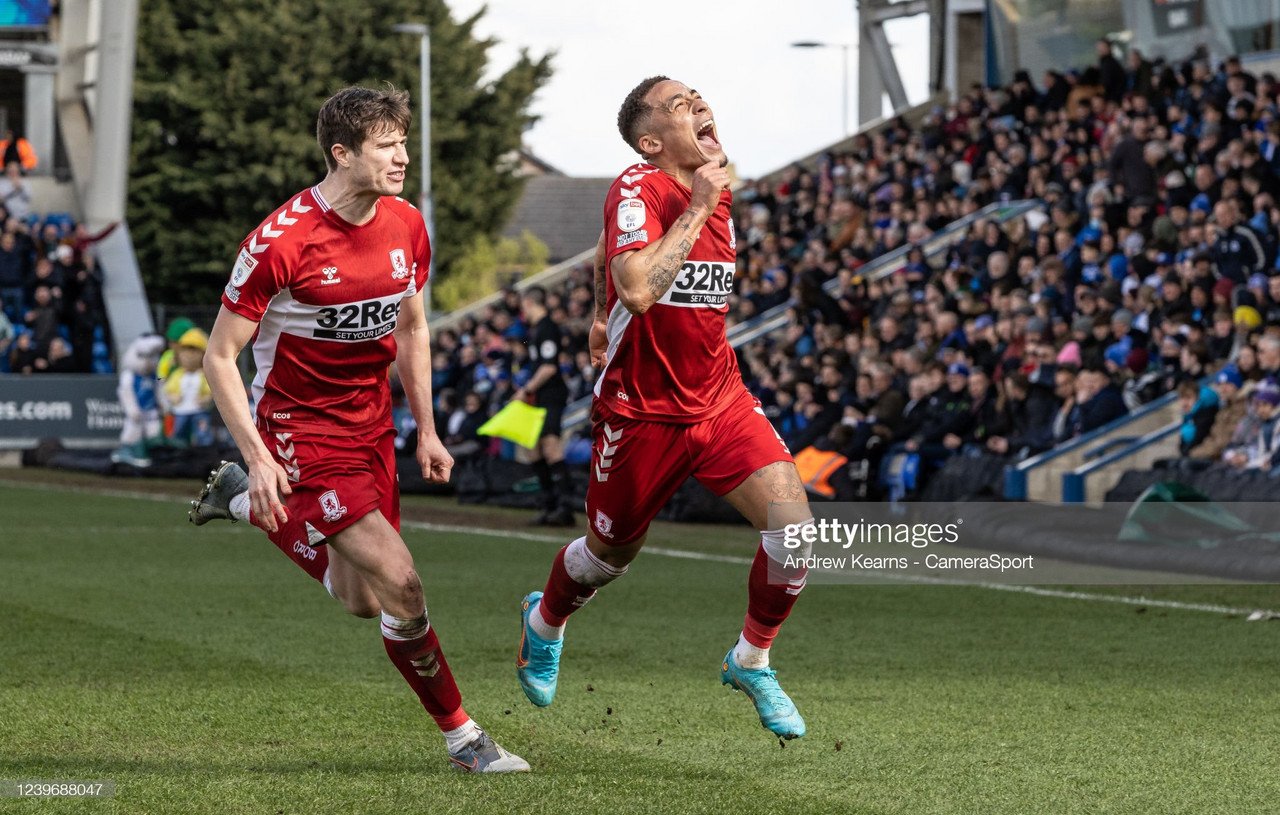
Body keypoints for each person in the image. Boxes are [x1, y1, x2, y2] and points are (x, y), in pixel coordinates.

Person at [187, 85, 527, 773]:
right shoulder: (280, 243)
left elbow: (412, 327)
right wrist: (257, 455)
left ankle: (237, 502)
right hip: (299, 430)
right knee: (403, 585)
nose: (404, 156)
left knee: (359, 599)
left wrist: (426, 429)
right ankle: (465, 738)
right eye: (387, 144)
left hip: (371, 424)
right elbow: (220, 355)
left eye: (404, 141)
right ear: (342, 153)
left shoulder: (406, 224)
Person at [516, 76, 815, 740]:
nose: (702, 106)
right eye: (683, 105)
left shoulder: (714, 180)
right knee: (605, 558)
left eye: (701, 96)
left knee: (794, 532)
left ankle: (751, 658)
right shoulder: (638, 185)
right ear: (651, 142)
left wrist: (598, 317)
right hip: (641, 412)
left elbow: (606, 261)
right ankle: (544, 621)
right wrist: (698, 211)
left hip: (719, 398)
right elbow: (638, 287)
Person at [512, 285, 575, 526]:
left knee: (550, 445)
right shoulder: (537, 329)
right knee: (534, 448)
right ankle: (549, 504)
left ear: (529, 302)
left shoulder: (547, 328)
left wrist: (526, 389)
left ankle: (565, 507)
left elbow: (549, 367)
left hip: (550, 395)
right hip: (538, 396)